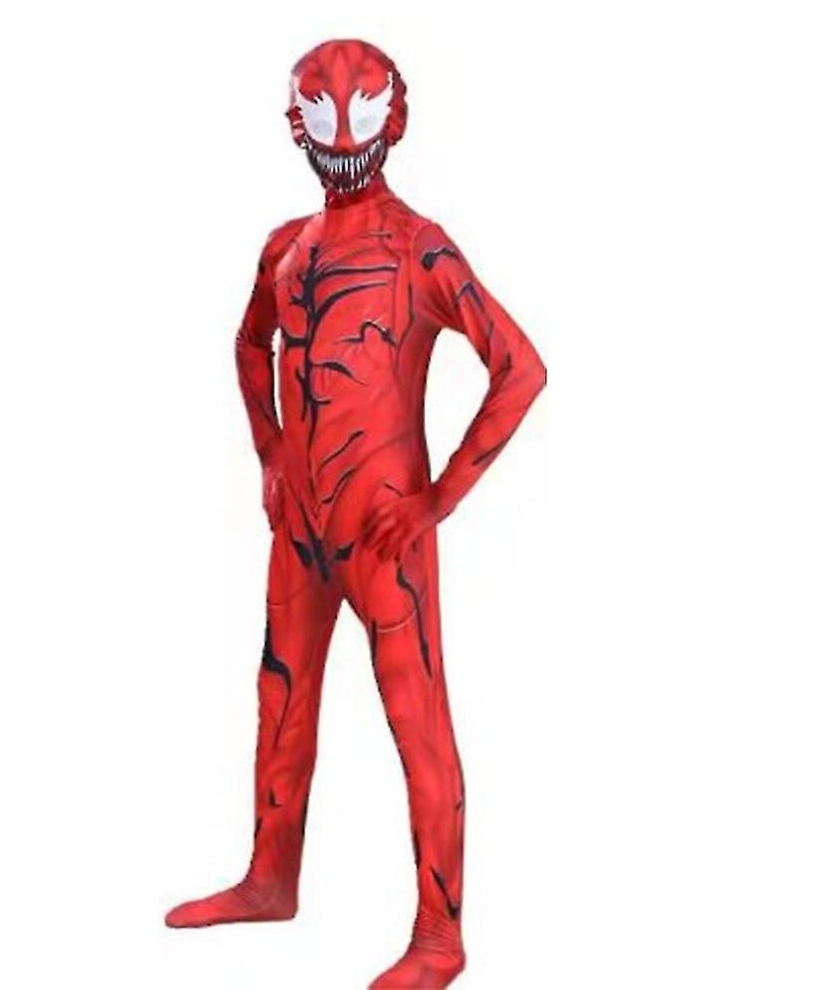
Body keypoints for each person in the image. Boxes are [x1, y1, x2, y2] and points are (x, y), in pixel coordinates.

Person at [166, 38, 546, 989]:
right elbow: (248, 343)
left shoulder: (419, 246)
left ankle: (440, 937)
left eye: (361, 110)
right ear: (296, 122)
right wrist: (268, 450)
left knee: (416, 714)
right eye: (324, 110)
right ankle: (270, 879)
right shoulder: (285, 247)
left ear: (393, 117)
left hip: (384, 532)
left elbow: (520, 368)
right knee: (280, 698)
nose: (342, 134)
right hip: (301, 528)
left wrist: (437, 500)